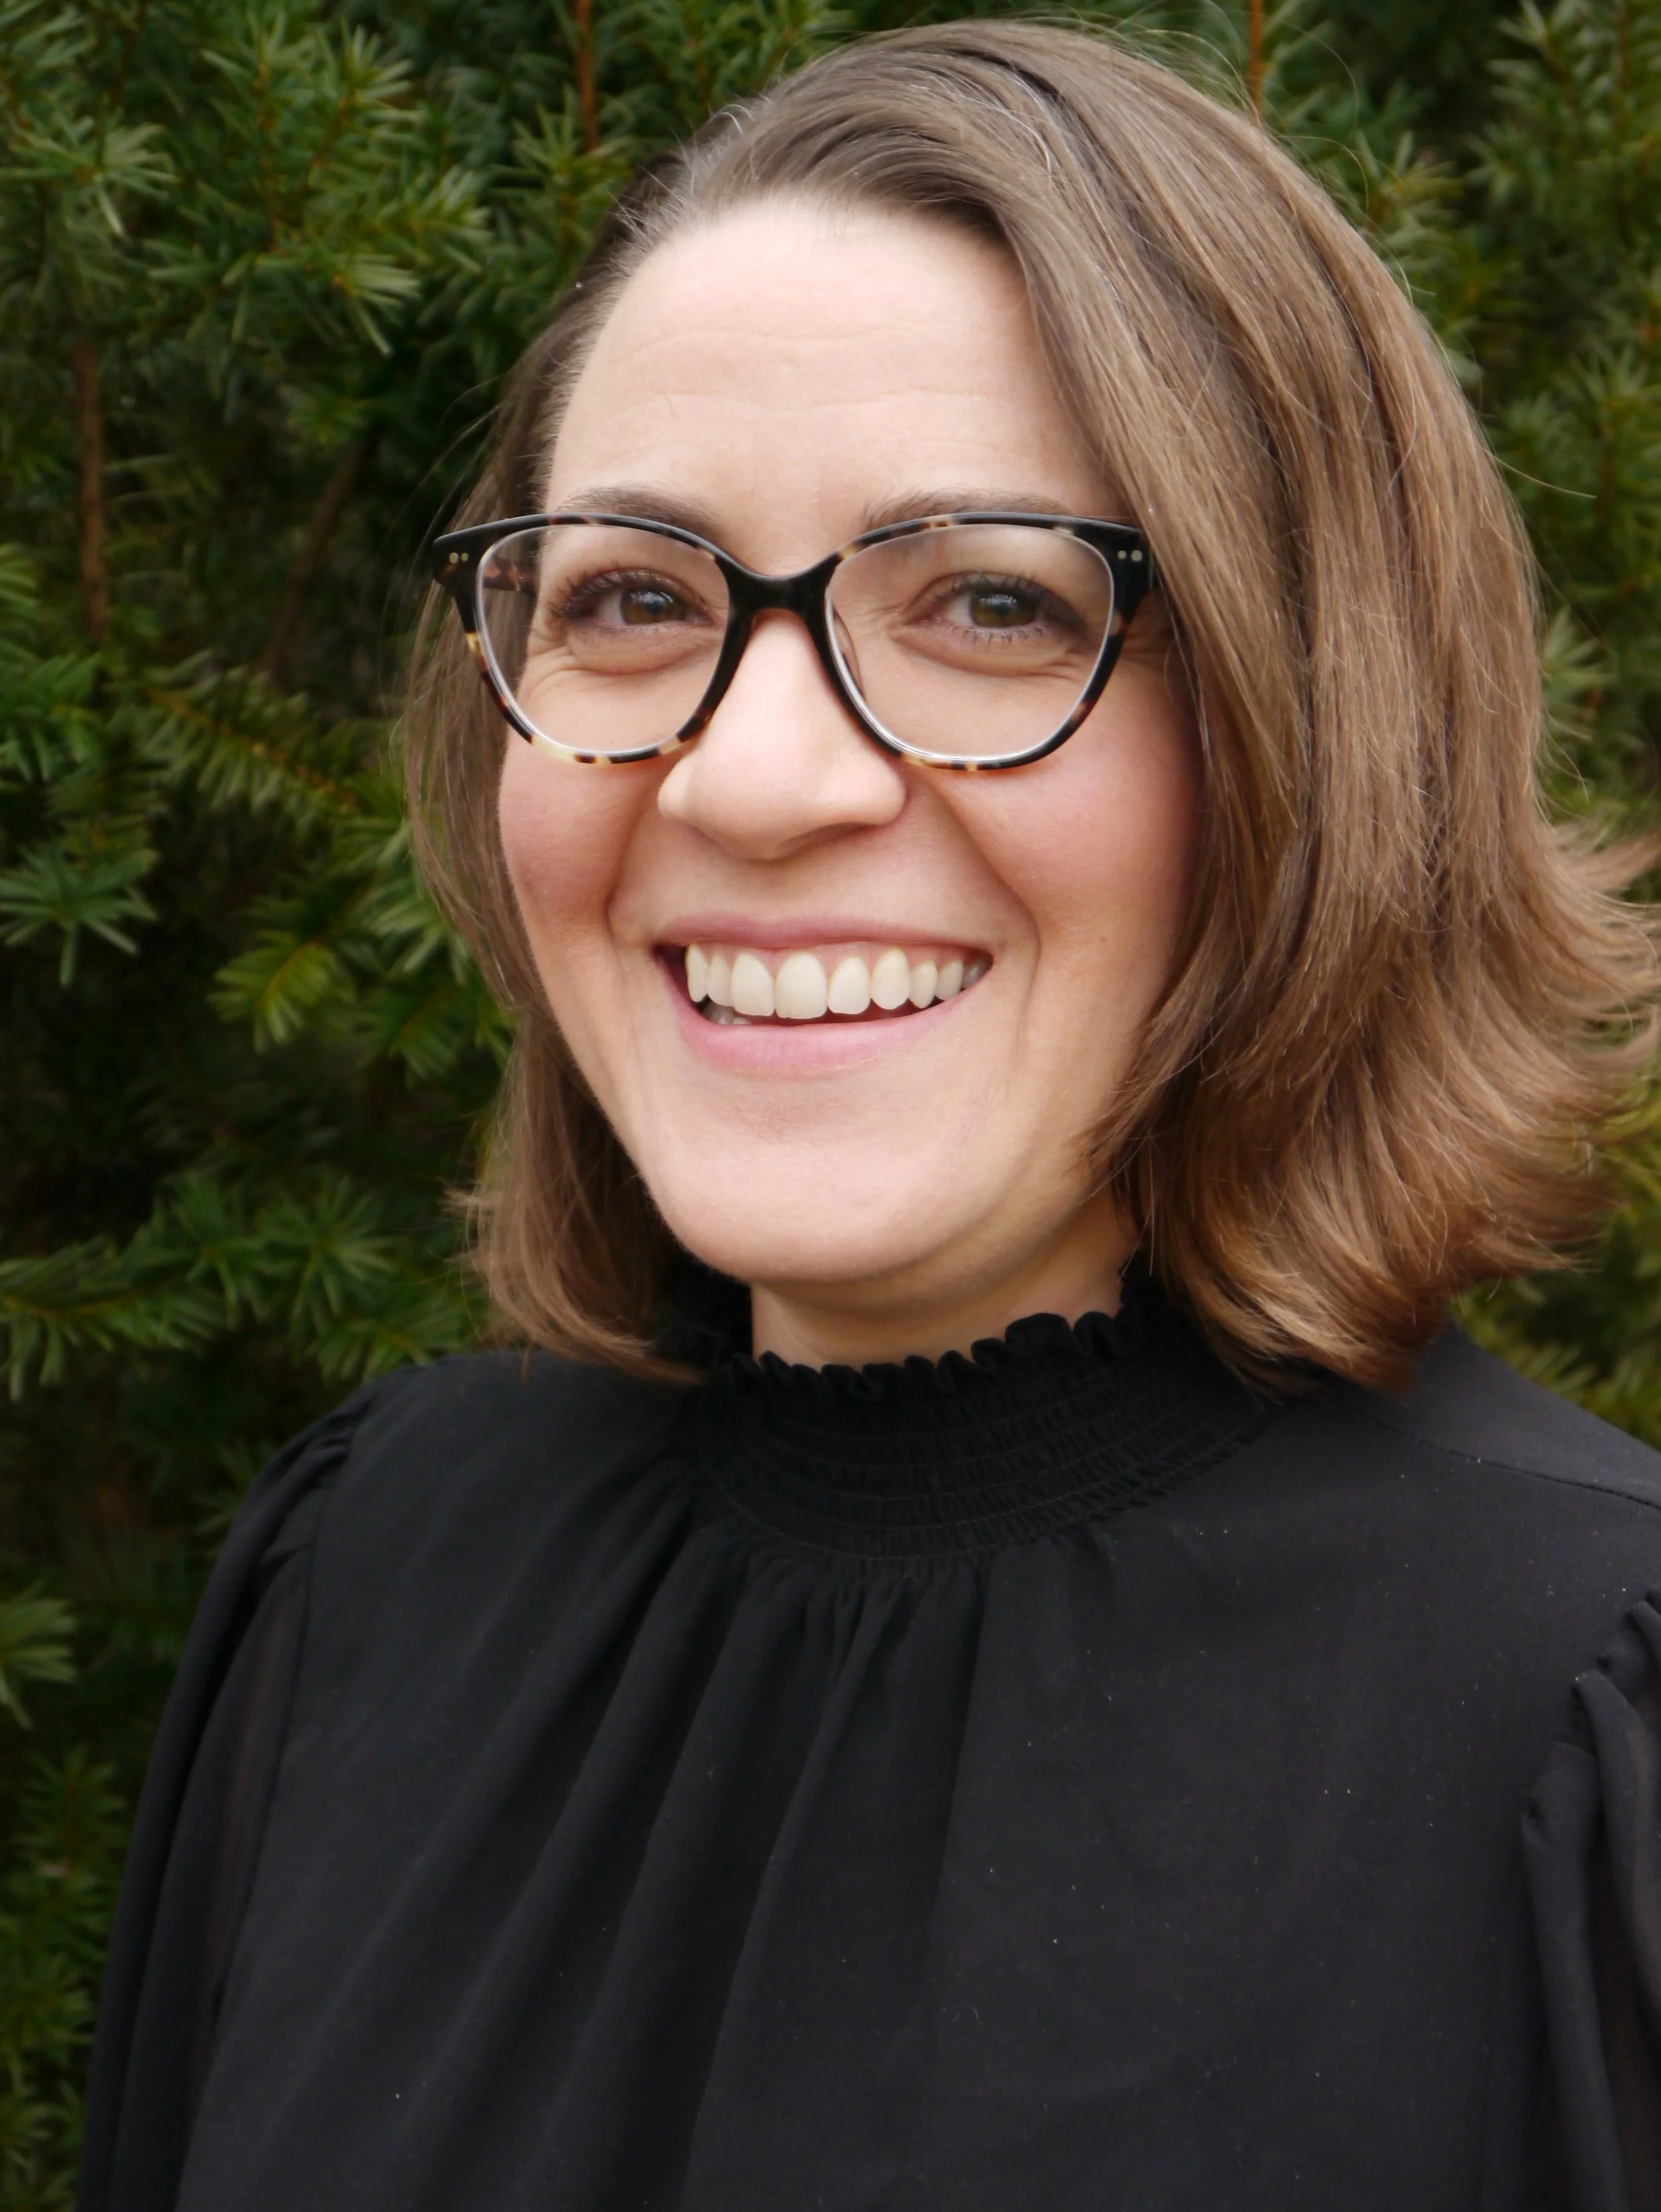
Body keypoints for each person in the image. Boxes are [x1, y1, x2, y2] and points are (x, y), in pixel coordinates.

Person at [75, 21, 1661, 2211]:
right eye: (632, 598)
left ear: (1321, 731)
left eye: (994, 605)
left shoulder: (1584, 1728)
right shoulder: (372, 1575)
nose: (751, 776)